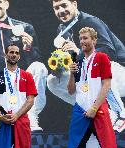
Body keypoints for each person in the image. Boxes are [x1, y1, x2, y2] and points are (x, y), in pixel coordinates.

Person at [47, 0, 125, 132]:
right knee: (53, 81)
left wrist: (78, 51)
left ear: (74, 4)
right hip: (93, 79)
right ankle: (104, 112)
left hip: (118, 74)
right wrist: (59, 67)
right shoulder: (61, 30)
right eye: (56, 8)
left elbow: (109, 52)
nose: (60, 10)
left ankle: (120, 114)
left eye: (64, 5)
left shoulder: (90, 22)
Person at [0, 0, 48, 131]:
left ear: (6, 4)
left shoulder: (25, 28)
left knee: (39, 67)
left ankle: (30, 117)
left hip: (21, 89)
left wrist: (28, 49)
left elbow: (36, 62)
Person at [67, 27, 119, 148]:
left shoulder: (102, 57)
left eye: (86, 38)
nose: (82, 41)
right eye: (80, 38)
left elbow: (106, 85)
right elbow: (70, 90)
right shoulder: (78, 62)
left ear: (94, 40)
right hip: (80, 110)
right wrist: (71, 73)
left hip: (98, 109)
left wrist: (94, 108)